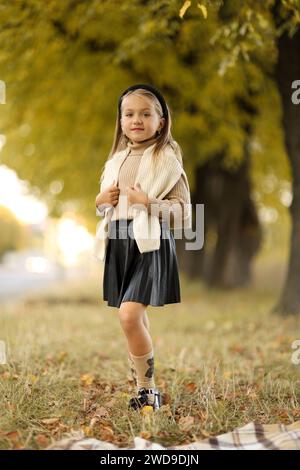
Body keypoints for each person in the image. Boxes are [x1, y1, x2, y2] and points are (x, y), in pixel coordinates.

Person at [94, 84, 192, 412]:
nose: (137, 119)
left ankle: (148, 390)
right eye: (129, 114)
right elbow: (109, 206)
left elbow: (182, 213)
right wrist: (100, 202)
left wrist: (147, 202)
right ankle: (143, 387)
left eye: (146, 113)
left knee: (129, 316)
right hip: (119, 242)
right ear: (121, 121)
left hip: (149, 243)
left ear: (161, 122)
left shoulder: (166, 159)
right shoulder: (116, 161)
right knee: (136, 318)